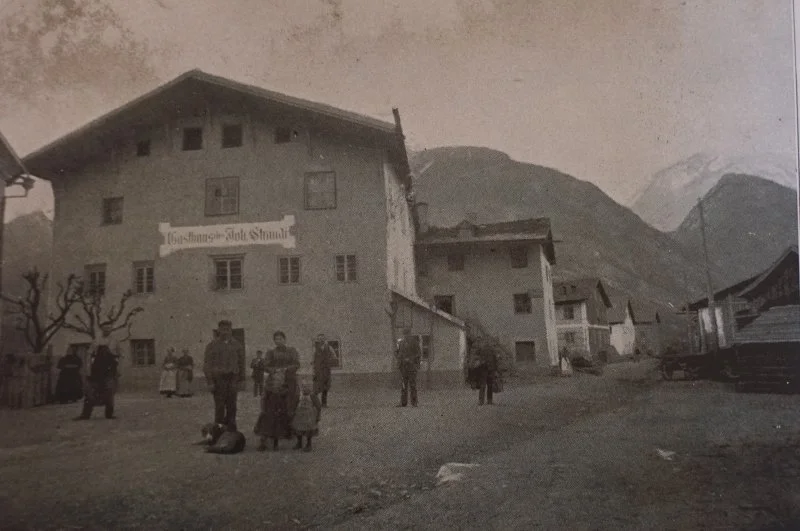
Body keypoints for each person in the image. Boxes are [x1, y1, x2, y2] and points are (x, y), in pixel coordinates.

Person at [255, 330, 300, 451]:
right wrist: (275, 371)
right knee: (271, 406)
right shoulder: (271, 352)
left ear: (285, 339)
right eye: (276, 339)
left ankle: (288, 431)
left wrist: (286, 369)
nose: (278, 341)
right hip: (275, 381)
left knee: (289, 406)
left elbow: (297, 364)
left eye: (280, 338)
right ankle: (268, 434)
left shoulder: (292, 351)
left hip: (289, 381)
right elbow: (265, 366)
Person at [203, 320, 246, 432]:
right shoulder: (212, 346)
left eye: (227, 329)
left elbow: (242, 363)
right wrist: (210, 382)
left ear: (231, 330)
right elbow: (207, 365)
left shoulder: (237, 345)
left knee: (232, 406)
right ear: (218, 330)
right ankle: (219, 431)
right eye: (223, 329)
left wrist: (242, 379)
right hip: (219, 380)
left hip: (233, 379)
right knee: (220, 406)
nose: (225, 332)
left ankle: (231, 430)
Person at [74, 324, 120, 420]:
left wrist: (117, 367)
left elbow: (120, 355)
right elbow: (89, 354)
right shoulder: (96, 340)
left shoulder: (115, 341)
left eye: (109, 328)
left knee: (109, 392)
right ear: (102, 329)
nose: (107, 330)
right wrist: (88, 369)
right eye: (105, 328)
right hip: (96, 369)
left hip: (109, 370)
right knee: (90, 392)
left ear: (111, 329)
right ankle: (85, 414)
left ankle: (109, 414)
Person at [291, 382, 322, 452]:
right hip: (299, 416)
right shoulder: (299, 395)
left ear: (310, 388)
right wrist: (292, 412)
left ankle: (308, 444)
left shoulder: (312, 396)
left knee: (309, 430)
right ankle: (299, 443)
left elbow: (318, 406)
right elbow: (295, 403)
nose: (305, 389)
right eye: (303, 387)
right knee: (298, 429)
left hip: (309, 417)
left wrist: (318, 416)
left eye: (307, 387)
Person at [395, 329, 422, 407]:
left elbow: (418, 353)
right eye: (405, 334)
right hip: (403, 367)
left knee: (412, 385)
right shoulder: (401, 343)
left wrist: (410, 359)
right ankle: (403, 403)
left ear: (410, 334)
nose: (406, 336)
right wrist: (400, 359)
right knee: (403, 385)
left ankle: (414, 402)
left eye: (407, 334)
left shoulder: (415, 343)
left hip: (412, 367)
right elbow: (397, 352)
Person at [471, 338, 499, 405]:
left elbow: (495, 360)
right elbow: (478, 358)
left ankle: (487, 401)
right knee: (484, 385)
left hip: (489, 369)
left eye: (488, 341)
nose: (488, 343)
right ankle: (483, 401)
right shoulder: (484, 349)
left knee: (488, 385)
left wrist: (495, 370)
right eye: (487, 341)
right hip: (485, 370)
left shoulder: (491, 350)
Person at [312, 334, 336, 407]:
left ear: (325, 339)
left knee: (325, 387)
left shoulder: (329, 347)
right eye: (319, 339)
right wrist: (314, 369)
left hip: (326, 370)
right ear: (318, 340)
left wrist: (329, 362)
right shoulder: (315, 348)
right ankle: (314, 403)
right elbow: (313, 359)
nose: (321, 340)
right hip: (318, 370)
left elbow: (334, 356)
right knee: (316, 387)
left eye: (322, 338)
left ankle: (324, 403)